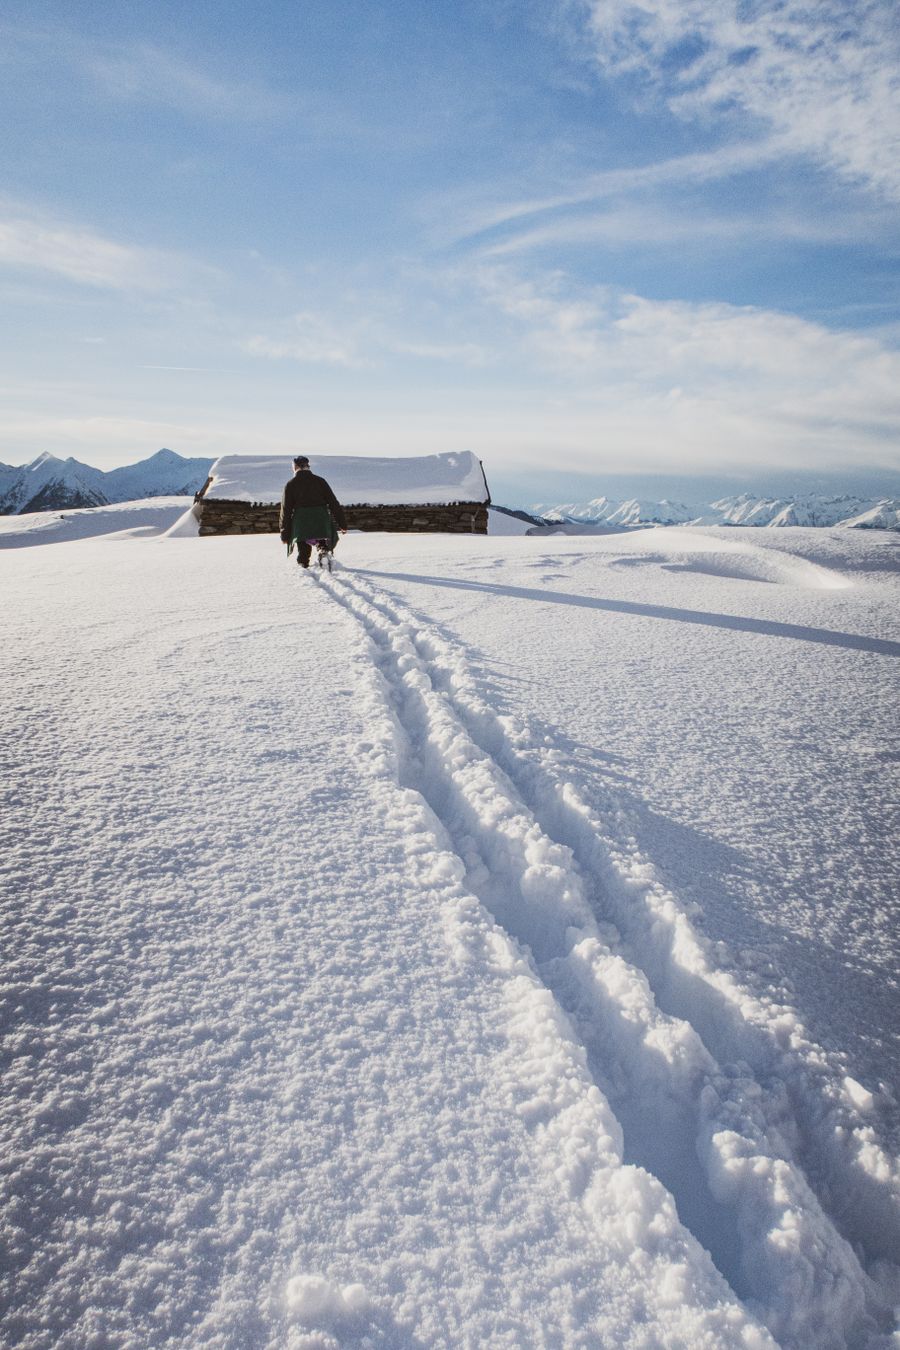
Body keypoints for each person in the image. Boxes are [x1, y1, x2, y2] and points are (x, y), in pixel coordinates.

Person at [279, 455, 347, 567]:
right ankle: (323, 551)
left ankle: (303, 564)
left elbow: (285, 511)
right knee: (321, 539)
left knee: (303, 549)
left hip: (301, 521)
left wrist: (284, 534)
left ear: (295, 467)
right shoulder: (320, 481)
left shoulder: (291, 484)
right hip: (320, 517)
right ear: (307, 466)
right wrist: (342, 524)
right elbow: (333, 503)